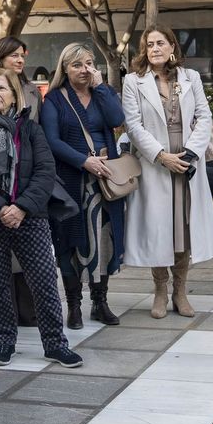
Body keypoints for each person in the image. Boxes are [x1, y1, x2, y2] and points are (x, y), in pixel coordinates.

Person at [0, 68, 82, 367]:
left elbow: (44, 173)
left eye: (2, 88)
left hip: (30, 216)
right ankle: (4, 341)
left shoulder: (30, 130)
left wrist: (21, 207)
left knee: (44, 281)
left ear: (15, 94)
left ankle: (55, 343)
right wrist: (0, 208)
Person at [121, 26, 213, 318]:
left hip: (188, 161)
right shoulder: (133, 81)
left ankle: (180, 291)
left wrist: (190, 153)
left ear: (172, 48)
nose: (154, 48)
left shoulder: (190, 78)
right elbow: (133, 125)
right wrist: (161, 156)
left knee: (185, 229)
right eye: (149, 44)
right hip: (156, 162)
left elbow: (204, 115)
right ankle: (160, 290)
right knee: (160, 228)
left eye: (160, 43)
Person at [40, 43, 128, 328]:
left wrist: (102, 86)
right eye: (77, 64)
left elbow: (117, 119)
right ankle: (74, 305)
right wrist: (83, 161)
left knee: (105, 241)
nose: (84, 70)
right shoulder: (54, 99)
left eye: (89, 63)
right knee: (70, 243)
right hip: (71, 181)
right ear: (65, 68)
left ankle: (100, 302)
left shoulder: (103, 93)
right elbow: (52, 140)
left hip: (105, 181)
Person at [0, 34, 43, 115]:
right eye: (15, 55)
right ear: (0, 58)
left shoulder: (33, 90)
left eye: (22, 56)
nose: (21, 60)